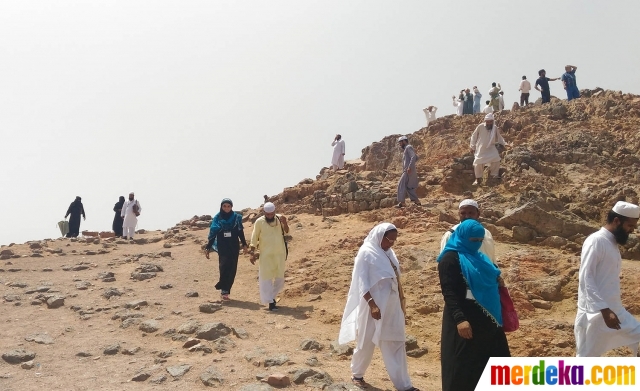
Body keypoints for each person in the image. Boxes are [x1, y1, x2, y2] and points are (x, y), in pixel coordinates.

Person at [338, 223, 421, 391]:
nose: (391, 243)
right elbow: (362, 281)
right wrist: (372, 304)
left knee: (395, 342)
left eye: (394, 240)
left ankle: (404, 386)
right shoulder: (366, 252)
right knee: (366, 341)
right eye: (389, 239)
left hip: (391, 307)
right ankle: (357, 374)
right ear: (379, 236)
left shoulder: (389, 253)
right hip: (372, 307)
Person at [438, 219, 510, 391]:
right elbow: (449, 292)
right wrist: (460, 319)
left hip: (487, 321)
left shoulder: (480, 258)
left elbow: (490, 276)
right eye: (473, 240)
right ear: (462, 236)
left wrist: (496, 280)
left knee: (495, 365)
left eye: (480, 241)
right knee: (462, 368)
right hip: (464, 320)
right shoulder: (449, 259)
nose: (477, 244)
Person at [575, 201, 640, 357]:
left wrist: (610, 309)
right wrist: (604, 309)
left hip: (616, 311)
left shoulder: (612, 243)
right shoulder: (596, 241)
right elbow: (586, 276)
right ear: (617, 221)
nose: (631, 231)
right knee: (586, 360)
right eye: (629, 226)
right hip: (596, 315)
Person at [204, 198, 248, 301]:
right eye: (224, 206)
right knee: (223, 267)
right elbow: (212, 234)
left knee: (232, 268)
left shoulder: (236, 218)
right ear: (221, 207)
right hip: (222, 246)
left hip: (233, 246)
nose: (227, 208)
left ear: (231, 207)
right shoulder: (217, 218)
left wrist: (244, 244)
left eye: (228, 206)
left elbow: (240, 232)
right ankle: (223, 288)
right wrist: (208, 247)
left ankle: (226, 290)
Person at [249, 202, 289, 311]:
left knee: (279, 278)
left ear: (274, 212)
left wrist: (285, 223)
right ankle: (271, 302)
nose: (270, 216)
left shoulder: (280, 219)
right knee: (266, 278)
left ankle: (272, 297)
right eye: (268, 214)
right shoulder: (259, 222)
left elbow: (286, 232)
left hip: (279, 254)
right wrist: (252, 253)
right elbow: (254, 237)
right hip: (266, 255)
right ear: (264, 213)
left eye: (272, 214)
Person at [440, 199, 495, 263]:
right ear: (459, 214)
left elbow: (492, 258)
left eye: (471, 213)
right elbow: (444, 261)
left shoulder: (486, 233)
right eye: (463, 213)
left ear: (478, 214)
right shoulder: (451, 234)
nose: (467, 216)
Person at [470, 113, 505, 186]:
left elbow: (499, 137)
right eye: (487, 121)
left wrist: (505, 144)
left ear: (492, 121)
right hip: (481, 148)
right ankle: (478, 179)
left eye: (490, 121)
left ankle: (494, 175)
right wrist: (472, 146)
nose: (489, 123)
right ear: (485, 121)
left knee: (496, 159)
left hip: (491, 148)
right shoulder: (480, 126)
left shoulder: (494, 128)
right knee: (477, 163)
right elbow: (474, 136)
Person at [396, 136, 420, 208]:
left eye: (400, 142)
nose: (400, 144)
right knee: (408, 186)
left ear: (404, 141)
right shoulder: (408, 148)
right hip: (409, 170)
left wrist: (409, 167)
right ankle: (417, 201)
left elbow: (413, 157)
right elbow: (416, 157)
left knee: (401, 184)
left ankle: (402, 203)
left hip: (407, 170)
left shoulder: (408, 147)